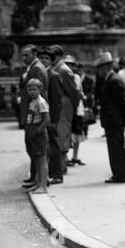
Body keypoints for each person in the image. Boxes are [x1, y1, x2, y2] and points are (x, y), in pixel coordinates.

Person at [48, 45, 81, 181]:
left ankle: (61, 165)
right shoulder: (57, 69)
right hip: (60, 104)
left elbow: (73, 91)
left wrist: (73, 105)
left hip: (64, 104)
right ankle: (60, 164)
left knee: (62, 133)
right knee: (59, 133)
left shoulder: (63, 70)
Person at [96, 52, 125, 183]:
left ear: (106, 66)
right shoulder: (110, 79)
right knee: (114, 148)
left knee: (116, 148)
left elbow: (122, 103)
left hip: (115, 121)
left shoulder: (114, 80)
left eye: (99, 67)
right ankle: (119, 173)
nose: (98, 70)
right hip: (112, 121)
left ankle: (120, 175)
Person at [19, 44, 48, 184]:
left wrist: (38, 126)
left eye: (27, 55)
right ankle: (36, 179)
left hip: (35, 121)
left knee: (38, 154)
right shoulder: (34, 67)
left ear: (34, 54)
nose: (24, 58)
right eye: (23, 55)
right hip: (32, 119)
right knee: (34, 152)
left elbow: (37, 89)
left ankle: (39, 180)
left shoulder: (36, 68)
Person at [36, 47, 63, 187]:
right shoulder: (38, 74)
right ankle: (40, 176)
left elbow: (57, 100)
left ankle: (57, 174)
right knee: (41, 146)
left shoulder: (54, 76)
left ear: (51, 61)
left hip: (50, 117)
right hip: (39, 116)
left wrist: (54, 119)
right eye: (41, 58)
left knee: (53, 145)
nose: (43, 60)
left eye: (46, 58)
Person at [23, 78, 50, 194]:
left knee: (41, 159)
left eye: (34, 89)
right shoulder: (32, 101)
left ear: (40, 89)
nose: (32, 92)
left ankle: (43, 185)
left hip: (37, 131)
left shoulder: (41, 102)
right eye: (29, 89)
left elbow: (46, 119)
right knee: (35, 158)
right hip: (30, 129)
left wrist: (38, 130)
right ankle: (37, 182)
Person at [64, 56, 86, 166]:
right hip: (68, 109)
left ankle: (75, 156)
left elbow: (80, 92)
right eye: (67, 64)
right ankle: (66, 156)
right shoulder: (62, 76)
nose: (69, 67)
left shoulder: (77, 77)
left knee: (77, 134)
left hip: (77, 109)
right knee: (66, 133)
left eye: (71, 65)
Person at [79, 63, 95, 137]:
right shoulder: (76, 78)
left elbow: (92, 90)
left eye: (80, 69)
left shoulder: (89, 80)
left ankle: (85, 132)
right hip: (80, 100)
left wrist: (86, 96)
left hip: (87, 100)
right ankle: (81, 131)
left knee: (87, 115)